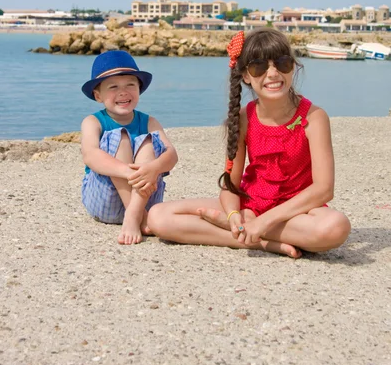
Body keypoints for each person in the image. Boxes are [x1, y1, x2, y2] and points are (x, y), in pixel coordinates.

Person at [147, 28, 351, 258]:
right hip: (250, 205)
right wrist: (234, 216)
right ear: (245, 75)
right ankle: (257, 242)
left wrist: (264, 221)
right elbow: (231, 186)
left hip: (296, 212)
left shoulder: (314, 117)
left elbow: (323, 190)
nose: (272, 73)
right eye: (259, 67)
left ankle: (252, 231)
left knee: (335, 227)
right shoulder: (243, 118)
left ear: (293, 66)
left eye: (282, 63)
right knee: (158, 217)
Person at [81, 50, 178, 245]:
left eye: (130, 85)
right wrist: (129, 172)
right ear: (98, 95)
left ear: (139, 89)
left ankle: (134, 213)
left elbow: (172, 155)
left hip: (146, 199)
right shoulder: (93, 122)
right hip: (105, 200)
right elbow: (90, 155)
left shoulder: (149, 121)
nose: (123, 92)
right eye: (113, 87)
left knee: (150, 141)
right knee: (120, 137)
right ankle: (135, 215)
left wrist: (153, 168)